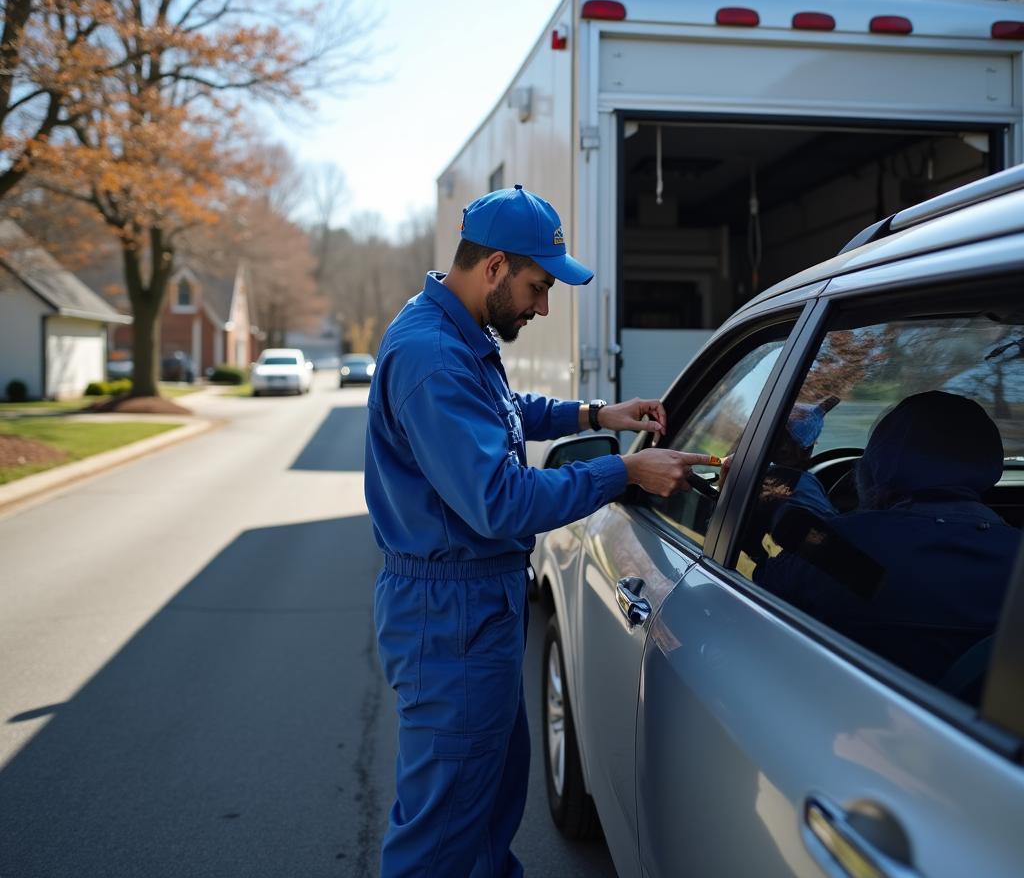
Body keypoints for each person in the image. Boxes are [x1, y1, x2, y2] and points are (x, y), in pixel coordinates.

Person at [365, 184, 714, 877]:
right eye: (538, 285)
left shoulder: (455, 334)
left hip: (470, 610)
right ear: (494, 267)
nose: (543, 305)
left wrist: (595, 416)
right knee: (440, 840)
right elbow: (499, 500)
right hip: (451, 617)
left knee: (485, 813)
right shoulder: (433, 355)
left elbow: (504, 411)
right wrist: (625, 474)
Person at [753, 390, 1020, 692]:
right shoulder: (1016, 558)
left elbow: (760, 586)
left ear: (878, 463)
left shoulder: (839, 549)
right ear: (988, 464)